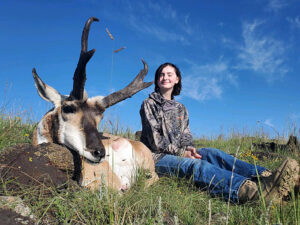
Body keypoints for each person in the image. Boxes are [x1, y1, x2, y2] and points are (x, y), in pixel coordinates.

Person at [140, 62, 299, 204]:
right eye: (161, 74)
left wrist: (189, 149)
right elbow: (155, 141)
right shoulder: (149, 104)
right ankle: (253, 193)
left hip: (178, 152)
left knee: (212, 153)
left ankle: (268, 177)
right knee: (197, 165)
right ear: (157, 80)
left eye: (169, 74)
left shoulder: (181, 108)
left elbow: (186, 135)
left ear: (177, 79)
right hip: (156, 158)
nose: (164, 77)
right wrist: (182, 153)